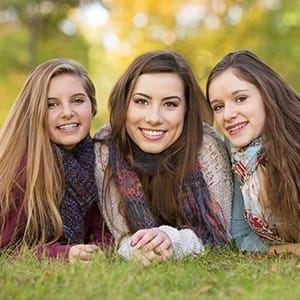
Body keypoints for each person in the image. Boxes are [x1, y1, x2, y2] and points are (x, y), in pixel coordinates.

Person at [94, 50, 232, 265]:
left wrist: (172, 241)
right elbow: (120, 234)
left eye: (170, 104)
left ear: (186, 110)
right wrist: (139, 250)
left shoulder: (206, 147)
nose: (154, 118)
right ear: (124, 104)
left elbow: (220, 231)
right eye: (141, 101)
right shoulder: (107, 146)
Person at [0, 58, 112, 263]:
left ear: (92, 107)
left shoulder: (97, 159)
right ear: (35, 112)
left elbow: (101, 228)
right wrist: (63, 254)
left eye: (77, 100)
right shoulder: (22, 167)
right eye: (52, 104)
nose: (67, 113)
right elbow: (6, 247)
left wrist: (97, 248)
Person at [206, 49, 300, 256]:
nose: (228, 115)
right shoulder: (239, 155)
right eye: (218, 106)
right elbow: (241, 236)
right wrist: (291, 250)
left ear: (267, 94)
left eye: (240, 99)